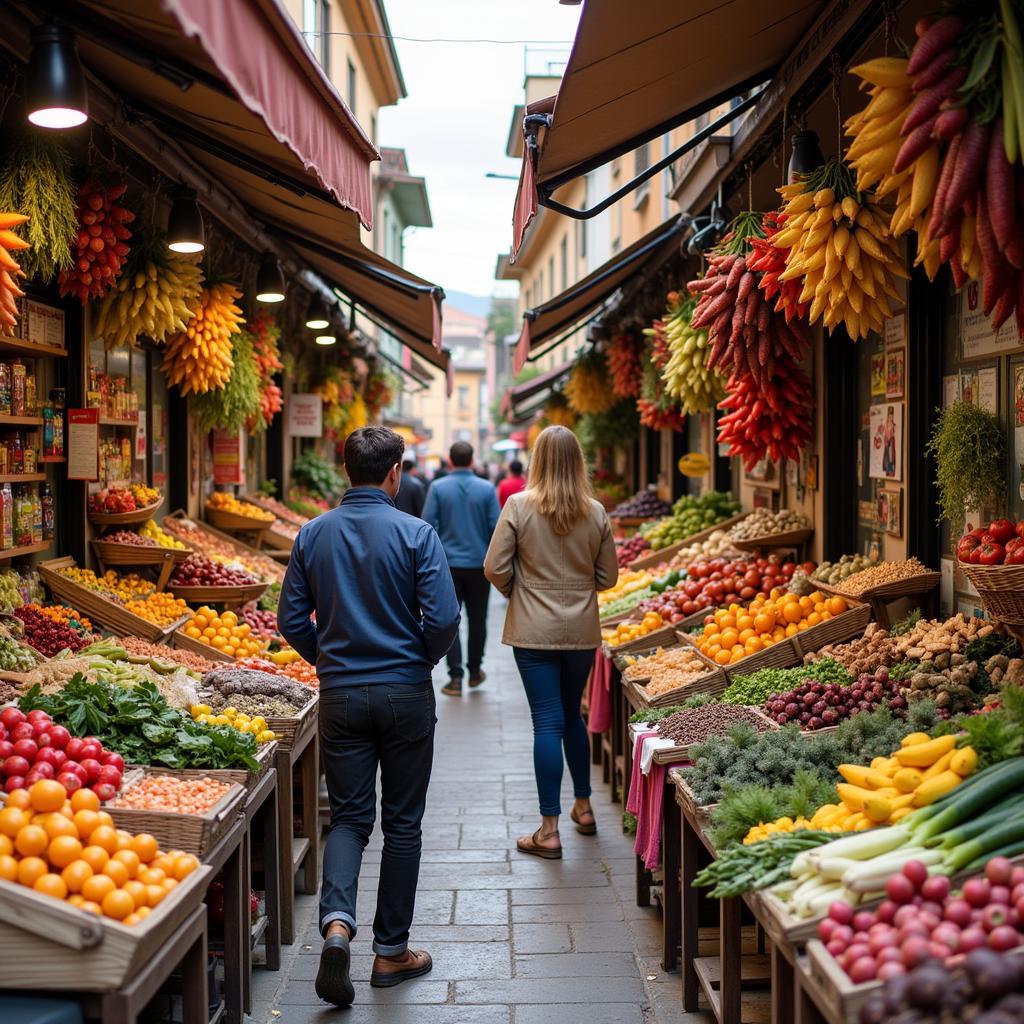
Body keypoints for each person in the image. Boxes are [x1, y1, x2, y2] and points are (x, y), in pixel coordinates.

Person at [278, 426, 460, 1007]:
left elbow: (290, 618)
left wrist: (328, 660)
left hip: (341, 695)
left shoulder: (312, 535)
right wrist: (420, 661)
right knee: (403, 823)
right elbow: (443, 619)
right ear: (394, 472)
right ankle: (390, 952)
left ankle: (336, 926)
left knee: (352, 820)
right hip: (406, 693)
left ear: (344, 470)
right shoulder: (417, 534)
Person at [483, 425, 618, 859]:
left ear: (537, 461)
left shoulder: (518, 506)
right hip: (580, 632)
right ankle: (584, 807)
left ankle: (548, 829)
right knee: (571, 717)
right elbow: (608, 577)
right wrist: (579, 588)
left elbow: (494, 567)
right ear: (579, 462)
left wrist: (517, 591)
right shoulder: (595, 511)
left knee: (546, 721)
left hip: (532, 630)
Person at [423, 440, 500, 697]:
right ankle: (475, 671)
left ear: (451, 460)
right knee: (478, 619)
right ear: (472, 459)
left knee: (449, 620)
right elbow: (496, 529)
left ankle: (455, 677)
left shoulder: (438, 488)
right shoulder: (487, 489)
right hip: (480, 565)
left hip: (447, 567)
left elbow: (426, 525)